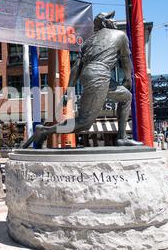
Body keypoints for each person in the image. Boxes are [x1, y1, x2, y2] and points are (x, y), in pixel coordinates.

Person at [23, 11, 143, 148]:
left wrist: (68, 91)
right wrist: (128, 79)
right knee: (84, 123)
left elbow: (76, 68)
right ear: (104, 23)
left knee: (126, 97)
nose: (114, 21)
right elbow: (126, 61)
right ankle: (45, 131)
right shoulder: (120, 35)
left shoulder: (88, 42)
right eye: (111, 19)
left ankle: (122, 138)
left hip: (92, 74)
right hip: (100, 74)